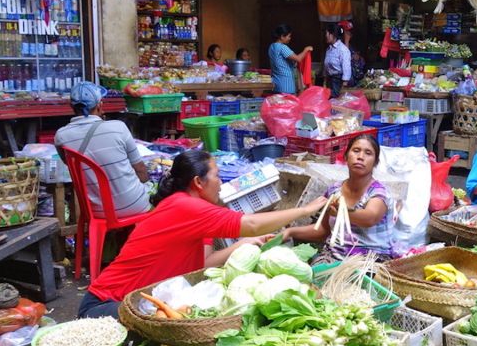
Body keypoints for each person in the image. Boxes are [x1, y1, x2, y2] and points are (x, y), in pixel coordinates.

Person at [78, 149, 327, 319]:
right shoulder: (186, 207)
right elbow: (250, 223)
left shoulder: (195, 213)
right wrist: (304, 209)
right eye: (217, 175)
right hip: (105, 306)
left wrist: (245, 244)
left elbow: (205, 262)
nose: (220, 182)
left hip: (136, 303)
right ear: (198, 182)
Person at [284, 134, 395, 262]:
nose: (360, 157)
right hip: (334, 257)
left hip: (370, 261)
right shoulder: (334, 191)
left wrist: (342, 211)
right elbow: (323, 230)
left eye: (368, 153)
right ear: (346, 157)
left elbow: (370, 217)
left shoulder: (378, 192)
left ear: (375, 162)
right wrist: (290, 232)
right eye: (356, 151)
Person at [55, 81, 150, 218]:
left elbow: (72, 166)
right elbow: (140, 169)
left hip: (94, 211)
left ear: (72, 107)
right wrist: (147, 185)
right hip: (134, 205)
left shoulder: (61, 136)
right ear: (100, 105)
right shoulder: (118, 127)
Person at [268, 24, 313, 94]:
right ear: (282, 36)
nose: (290, 38)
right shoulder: (283, 47)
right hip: (286, 86)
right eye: (289, 36)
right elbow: (298, 59)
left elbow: (282, 62)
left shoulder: (271, 47)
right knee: (288, 104)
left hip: (276, 84)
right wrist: (306, 50)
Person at [323, 23, 352, 98]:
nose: (326, 35)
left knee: (336, 102)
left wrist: (344, 85)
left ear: (333, 34)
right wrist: (325, 81)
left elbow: (346, 68)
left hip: (338, 81)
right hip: (330, 80)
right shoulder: (329, 49)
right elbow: (326, 66)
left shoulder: (342, 50)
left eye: (327, 33)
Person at [338, 20, 367, 87]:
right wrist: (346, 41)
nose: (350, 34)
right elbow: (345, 58)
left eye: (350, 32)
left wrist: (357, 57)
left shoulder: (350, 45)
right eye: (347, 32)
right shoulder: (338, 44)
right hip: (344, 79)